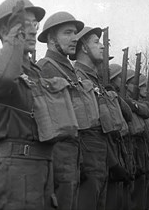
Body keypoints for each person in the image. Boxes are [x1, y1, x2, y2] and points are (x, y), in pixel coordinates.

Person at [0, 0, 58, 210]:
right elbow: (5, 77)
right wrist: (13, 40)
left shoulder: (35, 74)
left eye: (35, 23)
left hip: (42, 169)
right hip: (15, 171)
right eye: (25, 24)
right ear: (6, 31)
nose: (33, 30)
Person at [37, 12, 99, 210]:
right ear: (50, 38)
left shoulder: (68, 70)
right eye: (67, 33)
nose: (74, 38)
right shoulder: (45, 68)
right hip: (57, 157)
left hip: (73, 154)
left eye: (75, 33)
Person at [72, 27, 131, 210]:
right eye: (96, 42)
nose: (102, 47)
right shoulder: (76, 77)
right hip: (87, 155)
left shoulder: (96, 80)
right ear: (83, 47)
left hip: (101, 155)